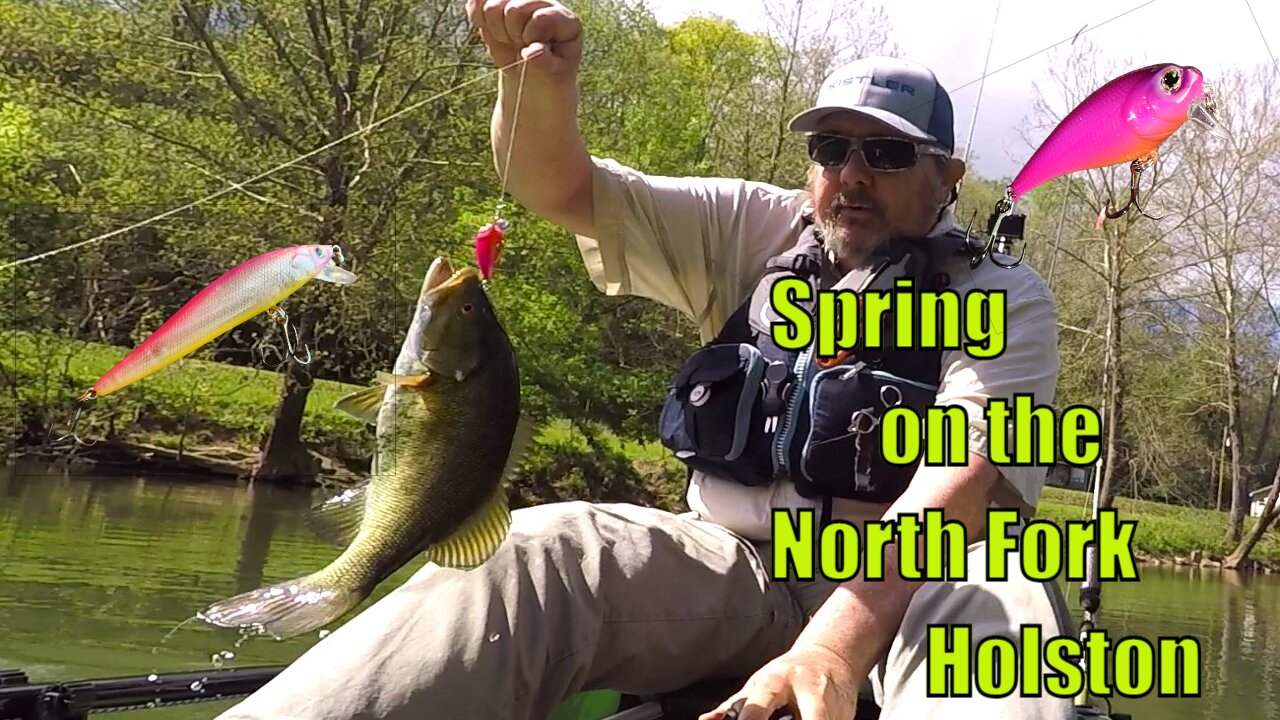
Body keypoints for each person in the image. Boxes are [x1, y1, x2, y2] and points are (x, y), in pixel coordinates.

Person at [214, 2, 1070, 719]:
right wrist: (537, 86)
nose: (850, 175)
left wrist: (831, 651)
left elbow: (959, 481)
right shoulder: (753, 228)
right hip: (735, 570)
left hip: (915, 592)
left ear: (948, 175)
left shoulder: (1006, 293)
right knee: (541, 546)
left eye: (885, 154)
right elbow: (559, 187)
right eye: (829, 150)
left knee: (1010, 613)